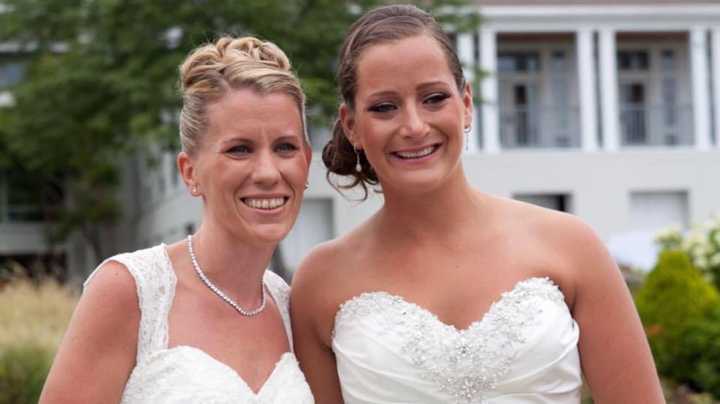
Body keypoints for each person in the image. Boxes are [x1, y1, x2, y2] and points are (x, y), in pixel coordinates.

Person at [290, 5, 664, 404]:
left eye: (434, 98)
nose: (414, 126)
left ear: (466, 104)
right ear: (351, 125)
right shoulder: (320, 281)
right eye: (384, 107)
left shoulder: (571, 245)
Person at [40, 36, 314, 403]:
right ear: (190, 172)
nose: (267, 172)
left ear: (306, 162)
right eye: (239, 149)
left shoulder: (288, 306)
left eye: (285, 147)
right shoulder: (132, 291)